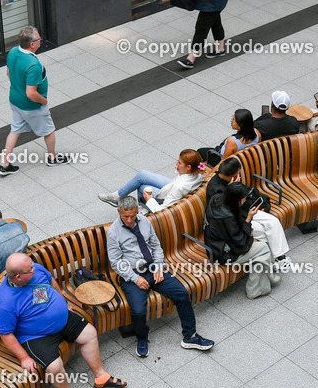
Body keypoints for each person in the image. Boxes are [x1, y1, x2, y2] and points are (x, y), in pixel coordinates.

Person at [0, 253, 127, 388]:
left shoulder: (36, 270)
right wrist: (24, 358)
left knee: (90, 334)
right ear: (18, 277)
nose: (35, 269)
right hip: (35, 335)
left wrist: (64, 302)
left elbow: (52, 283)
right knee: (54, 367)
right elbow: (6, 334)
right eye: (30, 269)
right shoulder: (5, 301)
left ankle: (101, 377)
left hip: (63, 319)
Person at [107, 196, 214, 357]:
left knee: (182, 294)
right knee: (137, 311)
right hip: (132, 274)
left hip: (152, 268)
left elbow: (156, 246)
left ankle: (190, 336)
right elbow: (116, 262)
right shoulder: (114, 232)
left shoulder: (144, 222)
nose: (130, 220)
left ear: (136, 211)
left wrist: (158, 266)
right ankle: (142, 338)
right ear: (118, 212)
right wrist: (135, 278)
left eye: (133, 216)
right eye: (126, 217)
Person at [0, 26, 70, 176]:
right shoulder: (33, 65)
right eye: (39, 40)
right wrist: (43, 101)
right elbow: (31, 93)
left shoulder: (12, 52)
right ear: (32, 44)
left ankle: (4, 164)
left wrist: (18, 86)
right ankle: (53, 158)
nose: (40, 42)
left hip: (15, 101)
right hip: (31, 106)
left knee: (15, 130)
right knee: (49, 131)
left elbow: (8, 73)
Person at [207, 157, 292, 269]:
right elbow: (231, 224)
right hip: (236, 219)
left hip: (242, 211)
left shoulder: (229, 182)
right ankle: (275, 261)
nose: (240, 176)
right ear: (231, 176)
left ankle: (279, 257)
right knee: (264, 233)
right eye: (238, 174)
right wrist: (232, 189)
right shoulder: (215, 189)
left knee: (273, 221)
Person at [203, 182, 281, 299]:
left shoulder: (216, 200)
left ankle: (262, 285)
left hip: (214, 246)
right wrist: (249, 219)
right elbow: (241, 242)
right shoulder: (228, 217)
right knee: (263, 249)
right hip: (224, 254)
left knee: (259, 253)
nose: (245, 200)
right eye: (243, 198)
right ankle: (255, 288)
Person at [99, 150, 205, 211]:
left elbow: (164, 209)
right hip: (172, 186)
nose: (176, 165)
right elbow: (180, 179)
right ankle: (117, 196)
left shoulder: (180, 187)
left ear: (188, 167)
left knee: (142, 188)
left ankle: (143, 209)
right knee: (142, 174)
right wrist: (179, 169)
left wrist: (149, 200)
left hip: (169, 194)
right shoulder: (198, 173)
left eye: (180, 163)